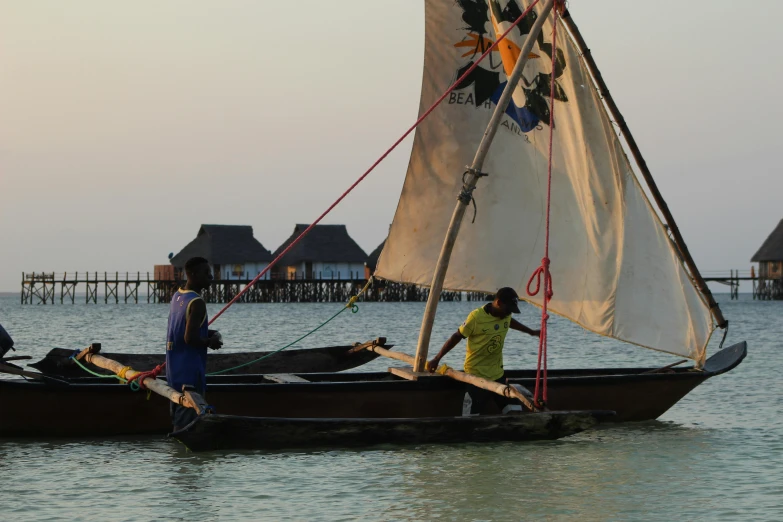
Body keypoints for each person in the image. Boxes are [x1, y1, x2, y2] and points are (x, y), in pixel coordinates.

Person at [426, 287, 540, 414]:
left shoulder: (505, 316)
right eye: (508, 310)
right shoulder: (476, 317)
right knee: (470, 419)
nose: (508, 314)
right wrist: (437, 359)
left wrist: (532, 332)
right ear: (498, 303)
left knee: (515, 413)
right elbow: (456, 336)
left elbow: (510, 322)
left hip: (498, 375)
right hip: (476, 376)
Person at [166, 256, 222, 430]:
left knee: (178, 417)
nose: (211, 277)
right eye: (206, 273)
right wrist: (210, 342)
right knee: (188, 423)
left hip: (174, 371)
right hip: (190, 372)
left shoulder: (177, 296)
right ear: (193, 274)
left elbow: (180, 328)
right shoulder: (197, 303)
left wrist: (208, 332)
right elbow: (189, 338)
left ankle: (178, 455)